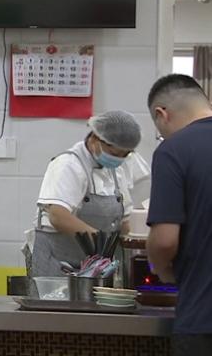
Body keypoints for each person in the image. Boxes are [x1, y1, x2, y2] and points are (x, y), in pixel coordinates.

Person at [27, 110, 149, 278]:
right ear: (94, 139)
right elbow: (58, 215)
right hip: (58, 267)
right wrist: (104, 243)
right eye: (114, 154)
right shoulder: (68, 164)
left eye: (125, 155)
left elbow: (124, 223)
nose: (119, 159)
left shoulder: (116, 170)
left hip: (96, 268)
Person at [145, 74, 212, 354]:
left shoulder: (173, 150)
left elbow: (164, 241)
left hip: (203, 319)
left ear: (162, 114)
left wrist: (161, 269)